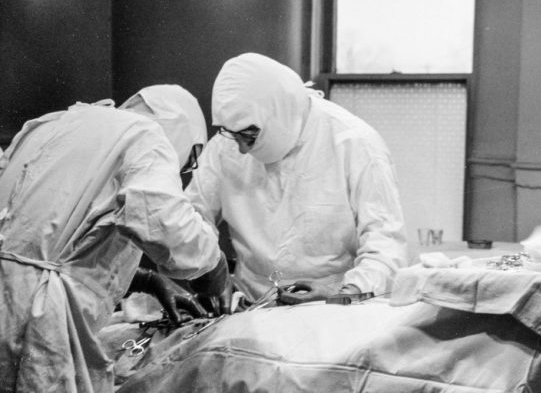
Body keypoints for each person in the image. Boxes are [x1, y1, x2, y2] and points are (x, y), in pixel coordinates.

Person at [0, 85, 230, 393]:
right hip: (40, 315)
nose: (183, 171)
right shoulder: (144, 135)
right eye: (189, 162)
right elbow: (162, 218)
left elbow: (46, 242)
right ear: (181, 135)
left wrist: (144, 279)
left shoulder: (50, 125)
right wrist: (213, 266)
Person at [185, 53, 410, 305]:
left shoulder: (355, 144)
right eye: (234, 136)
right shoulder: (224, 148)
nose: (243, 149)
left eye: (250, 136)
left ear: (280, 111)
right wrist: (209, 277)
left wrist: (344, 292)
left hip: (334, 306)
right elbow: (191, 218)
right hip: (250, 304)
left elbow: (386, 245)